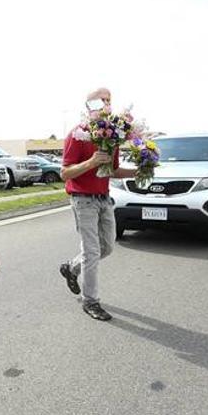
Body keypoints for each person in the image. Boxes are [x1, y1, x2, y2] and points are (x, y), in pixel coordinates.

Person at [59, 87, 136, 321]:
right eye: (101, 100)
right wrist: (91, 162)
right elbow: (65, 173)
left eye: (109, 100)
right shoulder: (77, 134)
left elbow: (112, 170)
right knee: (92, 252)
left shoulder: (111, 137)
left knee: (107, 247)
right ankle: (90, 301)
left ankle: (71, 268)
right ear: (89, 105)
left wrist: (139, 171)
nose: (106, 104)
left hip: (104, 199)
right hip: (83, 200)